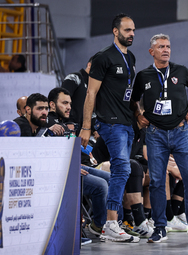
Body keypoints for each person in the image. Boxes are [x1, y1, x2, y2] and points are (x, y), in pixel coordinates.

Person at [131, 33, 188, 244]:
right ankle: (160, 227)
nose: (166, 50)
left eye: (168, 46)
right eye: (161, 46)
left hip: (181, 132)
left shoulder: (180, 71)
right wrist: (138, 115)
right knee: (156, 182)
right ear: (151, 51)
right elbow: (134, 100)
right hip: (155, 135)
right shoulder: (144, 75)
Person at [79, 13, 140, 243]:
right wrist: (86, 126)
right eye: (127, 30)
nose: (131, 34)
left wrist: (138, 113)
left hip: (127, 123)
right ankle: (110, 223)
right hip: (110, 123)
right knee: (122, 169)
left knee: (124, 171)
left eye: (133, 30)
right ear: (116, 31)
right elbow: (91, 93)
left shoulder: (131, 57)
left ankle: (109, 223)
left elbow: (127, 93)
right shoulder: (103, 57)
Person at [46, 86, 110, 237]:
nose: (68, 107)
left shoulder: (66, 123)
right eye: (64, 103)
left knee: (111, 179)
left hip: (76, 165)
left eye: (69, 103)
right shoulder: (50, 124)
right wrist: (72, 166)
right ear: (52, 105)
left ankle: (112, 222)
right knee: (101, 185)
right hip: (63, 172)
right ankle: (98, 226)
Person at [61, 57, 93, 134]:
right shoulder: (74, 77)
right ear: (89, 65)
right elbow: (63, 100)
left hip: (85, 129)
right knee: (73, 146)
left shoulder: (94, 85)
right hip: (72, 127)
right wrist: (69, 121)